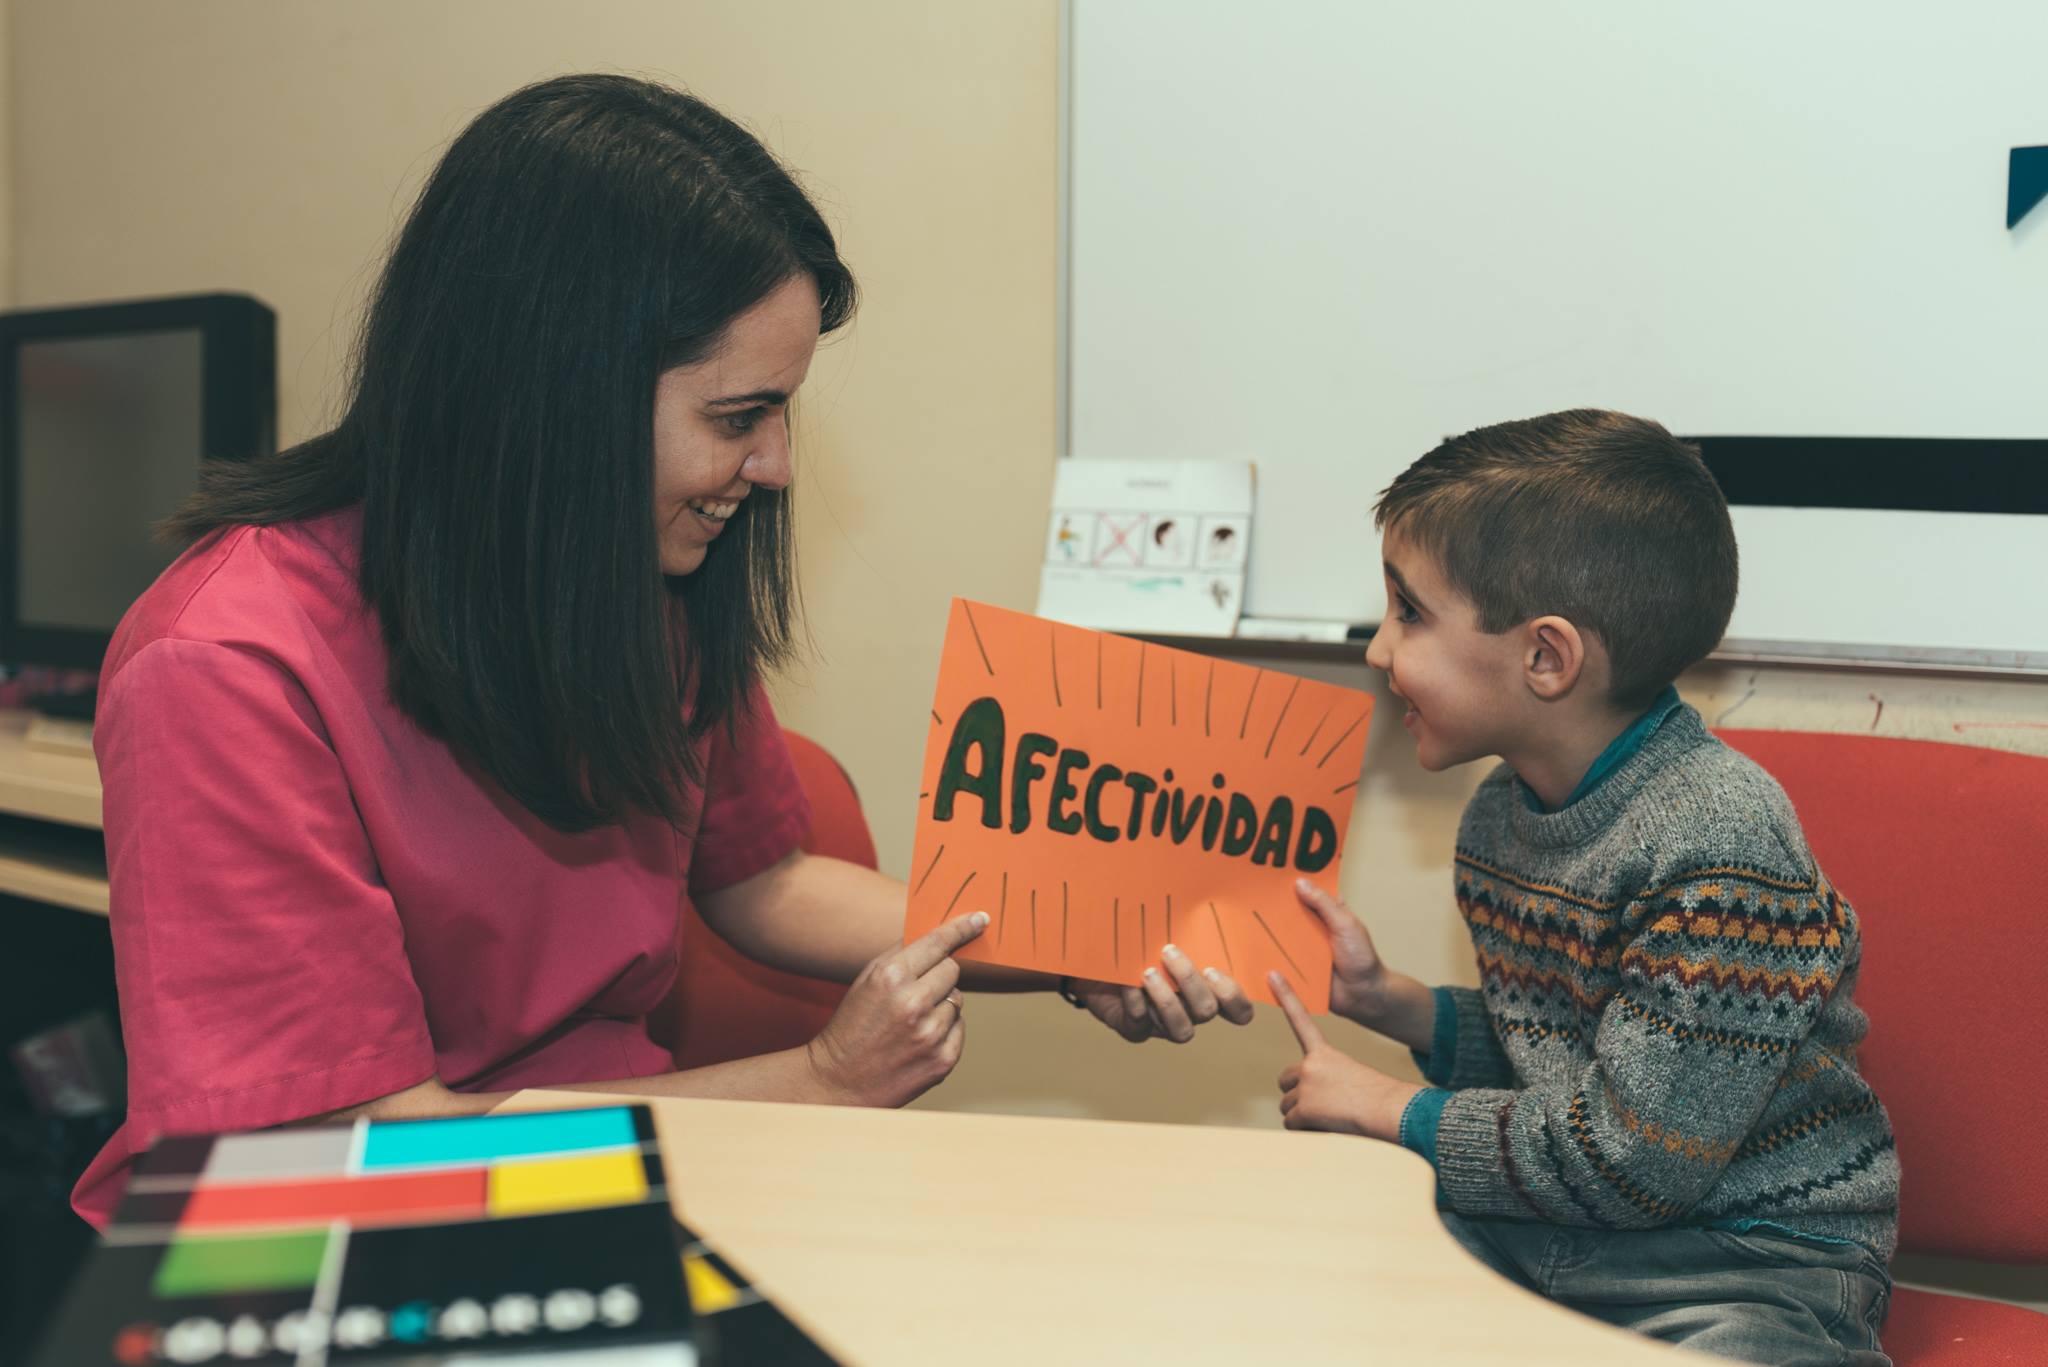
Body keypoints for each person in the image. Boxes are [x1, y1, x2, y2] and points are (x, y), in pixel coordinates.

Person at [73, 74, 1249, 1226]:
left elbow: (762, 876)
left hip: (627, 1172)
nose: (776, 466)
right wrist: (819, 1082)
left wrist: (1080, 940)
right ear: (550, 396)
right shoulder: (225, 665)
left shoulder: (632, 574)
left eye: (780, 410)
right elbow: (351, 1155)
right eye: (737, 418)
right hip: (366, 1223)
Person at [1267, 410, 1898, 1366]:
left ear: (1547, 658)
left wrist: (1387, 1106)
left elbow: (1633, 1159)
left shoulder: (1719, 843)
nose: (1378, 650)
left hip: (1742, 1263)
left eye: (1410, 613)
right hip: (1554, 1236)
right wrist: (1389, 1002)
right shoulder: (1498, 815)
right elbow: (1566, 1056)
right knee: (1312, 1279)